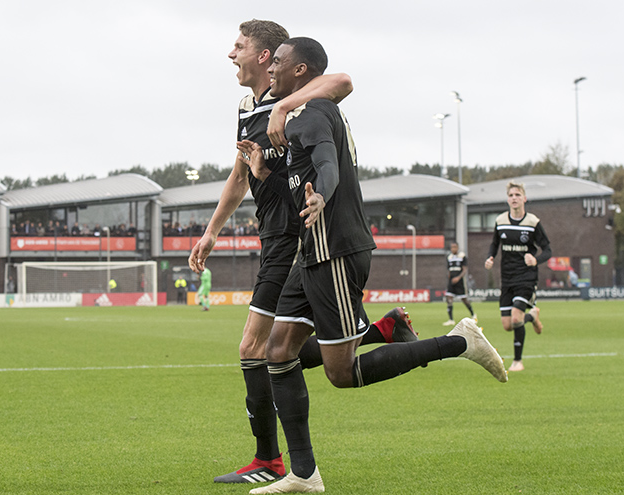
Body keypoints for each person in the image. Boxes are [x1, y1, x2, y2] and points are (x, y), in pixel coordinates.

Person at [238, 37, 507, 494]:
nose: (272, 71)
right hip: (312, 254)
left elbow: (326, 164)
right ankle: (304, 475)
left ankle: (458, 342)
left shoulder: (317, 112)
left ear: (300, 71)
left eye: (279, 63)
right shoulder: (292, 121)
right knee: (276, 352)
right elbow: (299, 189)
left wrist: (323, 190)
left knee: (342, 374)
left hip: (337, 252)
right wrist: (266, 175)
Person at [190, 20, 418, 486]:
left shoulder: (299, 101)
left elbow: (342, 81)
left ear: (266, 56)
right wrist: (212, 231)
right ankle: (379, 330)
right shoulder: (246, 106)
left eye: (239, 46)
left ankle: (271, 461)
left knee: (257, 346)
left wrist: (287, 103)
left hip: (298, 240)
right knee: (282, 349)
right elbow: (240, 177)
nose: (229, 54)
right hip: (272, 235)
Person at [484, 181, 552, 373]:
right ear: (508, 199)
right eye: (511, 195)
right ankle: (532, 316)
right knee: (507, 325)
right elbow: (494, 244)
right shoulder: (500, 221)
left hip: (526, 278)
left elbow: (548, 250)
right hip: (507, 279)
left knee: (515, 319)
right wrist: (490, 258)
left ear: (524, 198)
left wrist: (536, 260)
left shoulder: (533, 222)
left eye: (517, 195)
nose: (514, 198)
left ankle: (517, 361)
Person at [443, 242, 476, 326]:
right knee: (449, 298)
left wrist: (458, 278)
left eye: (454, 247)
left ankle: (473, 315)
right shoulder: (449, 257)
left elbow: (464, 270)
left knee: (464, 299)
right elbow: (449, 270)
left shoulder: (462, 256)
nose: (453, 249)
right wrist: (450, 278)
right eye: (451, 247)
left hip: (460, 282)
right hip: (451, 282)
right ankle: (451, 319)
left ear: (457, 248)